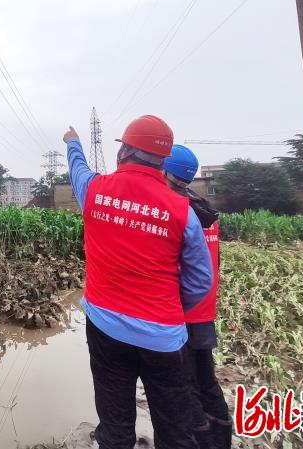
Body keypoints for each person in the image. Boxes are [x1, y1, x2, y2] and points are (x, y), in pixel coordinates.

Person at [63, 115, 213, 449]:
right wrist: (171, 309)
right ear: (162, 161)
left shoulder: (96, 191)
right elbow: (201, 280)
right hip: (164, 338)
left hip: (105, 329)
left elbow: (77, 172)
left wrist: (73, 143)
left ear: (124, 151)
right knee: (175, 431)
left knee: (115, 426)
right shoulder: (181, 210)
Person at [163, 145, 232, 449]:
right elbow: (211, 266)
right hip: (205, 309)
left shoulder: (176, 211)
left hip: (183, 312)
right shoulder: (205, 210)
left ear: (165, 173)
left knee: (184, 385)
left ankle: (199, 440)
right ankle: (221, 440)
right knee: (207, 379)